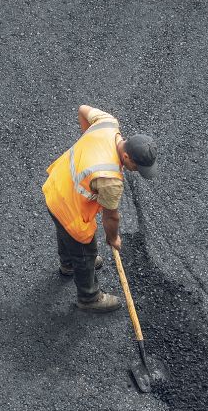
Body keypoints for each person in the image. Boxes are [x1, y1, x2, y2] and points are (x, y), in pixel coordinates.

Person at [42, 105, 157, 312]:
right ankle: (89, 297)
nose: (136, 172)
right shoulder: (110, 178)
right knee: (85, 251)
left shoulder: (108, 123)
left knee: (64, 232)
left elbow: (82, 109)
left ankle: (67, 265)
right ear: (127, 157)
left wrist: (86, 138)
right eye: (136, 168)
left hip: (55, 187)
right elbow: (111, 218)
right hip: (70, 208)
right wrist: (113, 238)